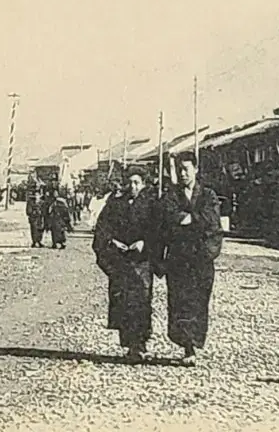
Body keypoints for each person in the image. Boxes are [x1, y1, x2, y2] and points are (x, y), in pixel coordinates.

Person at [161, 154, 224, 366]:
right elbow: (168, 218)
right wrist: (188, 220)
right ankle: (186, 347)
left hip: (200, 259)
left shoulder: (208, 195)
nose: (182, 173)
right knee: (179, 302)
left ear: (196, 169)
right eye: (179, 169)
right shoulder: (171, 195)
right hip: (178, 259)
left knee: (198, 302)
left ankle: (195, 343)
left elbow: (212, 221)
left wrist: (190, 219)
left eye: (186, 168)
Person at [92, 167, 159, 361]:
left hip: (141, 260)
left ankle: (141, 342)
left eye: (137, 183)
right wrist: (112, 242)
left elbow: (159, 229)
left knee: (143, 300)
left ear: (144, 184)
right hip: (121, 260)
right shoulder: (115, 204)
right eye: (130, 183)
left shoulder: (151, 204)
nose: (133, 187)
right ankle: (130, 344)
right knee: (123, 301)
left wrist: (144, 242)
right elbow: (103, 228)